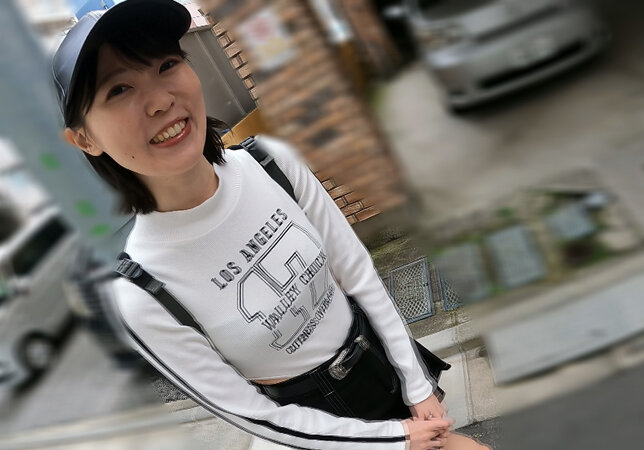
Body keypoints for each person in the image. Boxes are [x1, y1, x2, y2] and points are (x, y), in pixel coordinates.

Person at [52, 1, 490, 449]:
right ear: (84, 139)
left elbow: (357, 273)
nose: (161, 101)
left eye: (167, 65)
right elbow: (253, 413)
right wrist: (394, 440)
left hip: (383, 376)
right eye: (118, 89)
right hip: (312, 433)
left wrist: (416, 384)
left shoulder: (270, 164)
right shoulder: (140, 293)